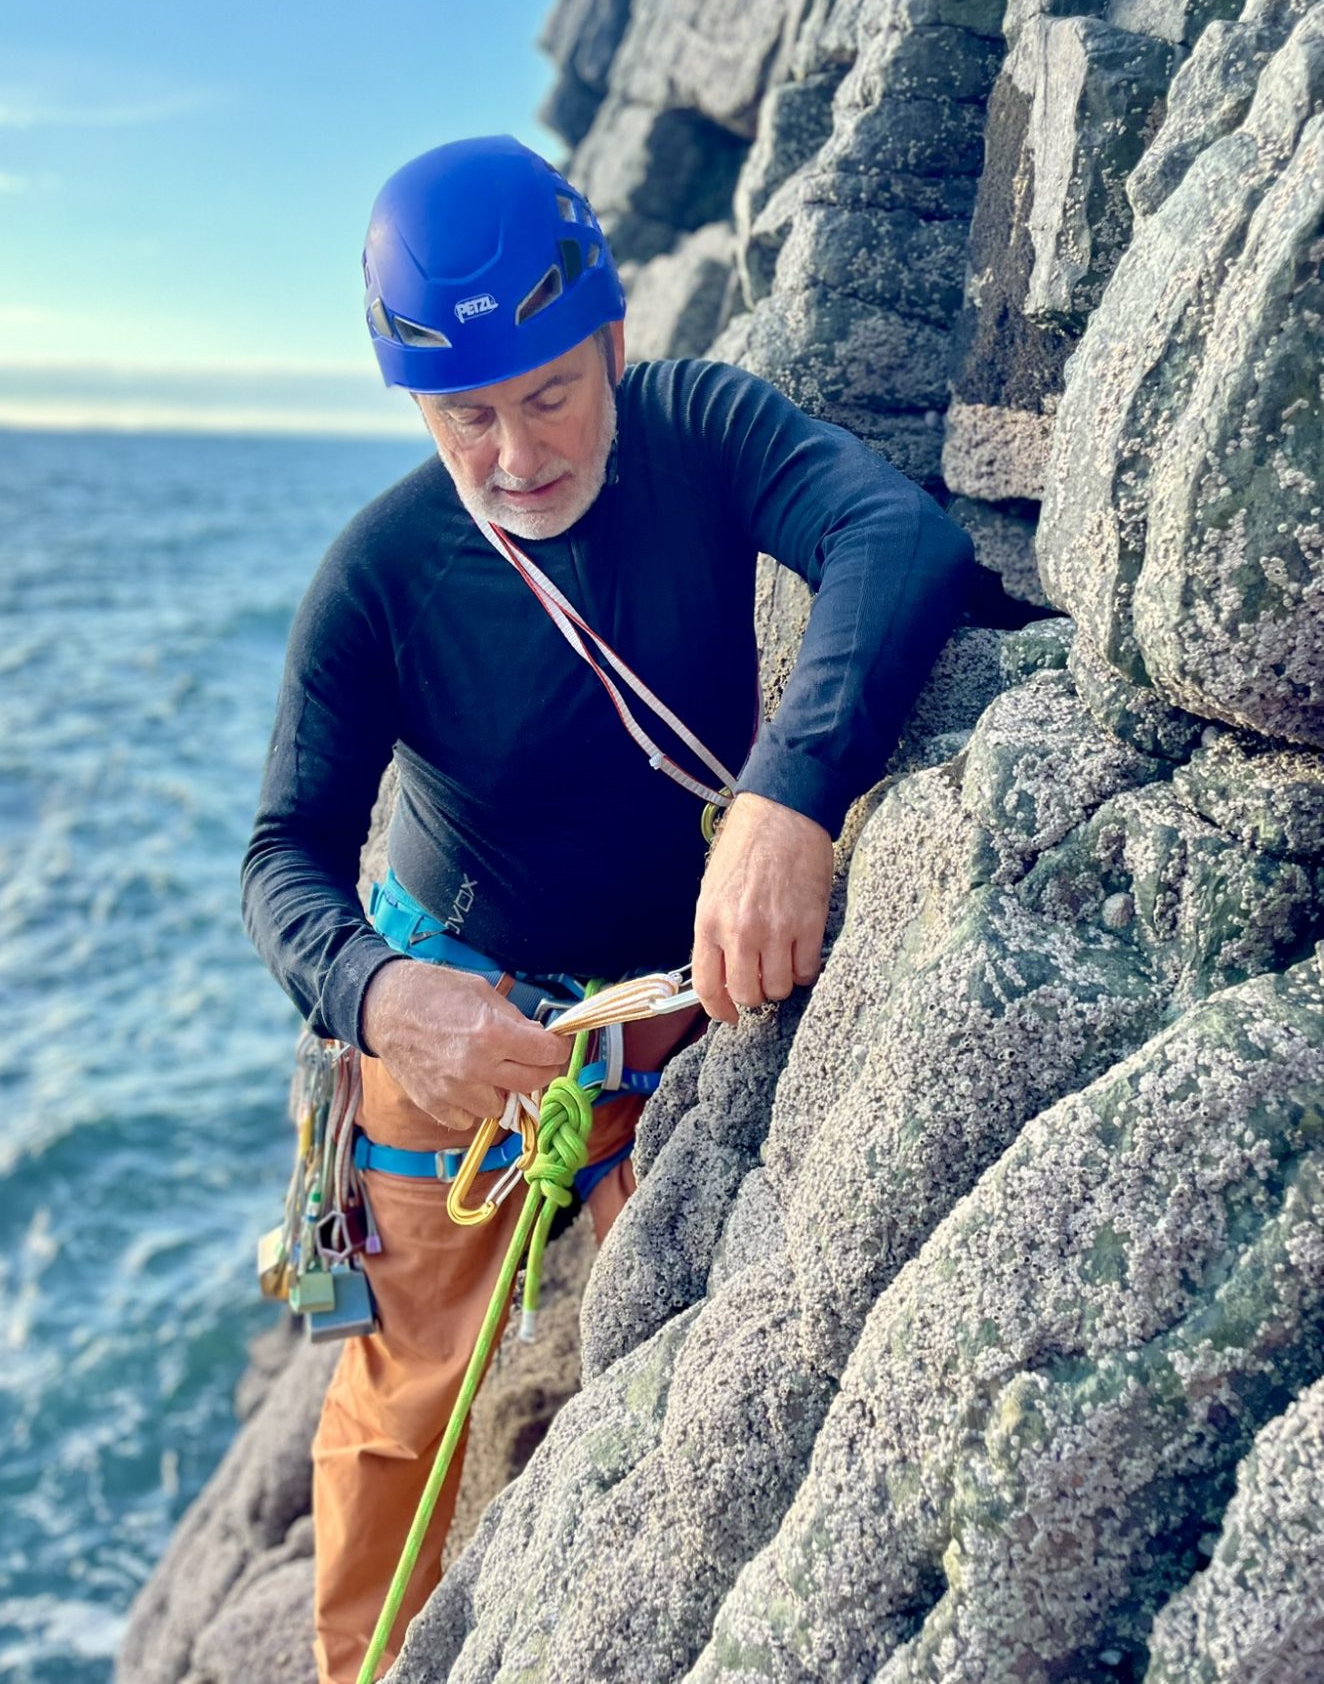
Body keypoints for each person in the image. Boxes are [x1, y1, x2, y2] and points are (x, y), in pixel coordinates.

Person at [241, 134, 975, 1683]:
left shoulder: (699, 428)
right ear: (417, 408)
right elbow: (282, 858)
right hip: (458, 1035)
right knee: (406, 1405)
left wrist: (788, 796)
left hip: (674, 1005)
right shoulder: (381, 577)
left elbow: (896, 537)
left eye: (551, 394)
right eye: (467, 414)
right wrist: (384, 1000)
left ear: (615, 342)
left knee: (671, 1361)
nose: (516, 454)